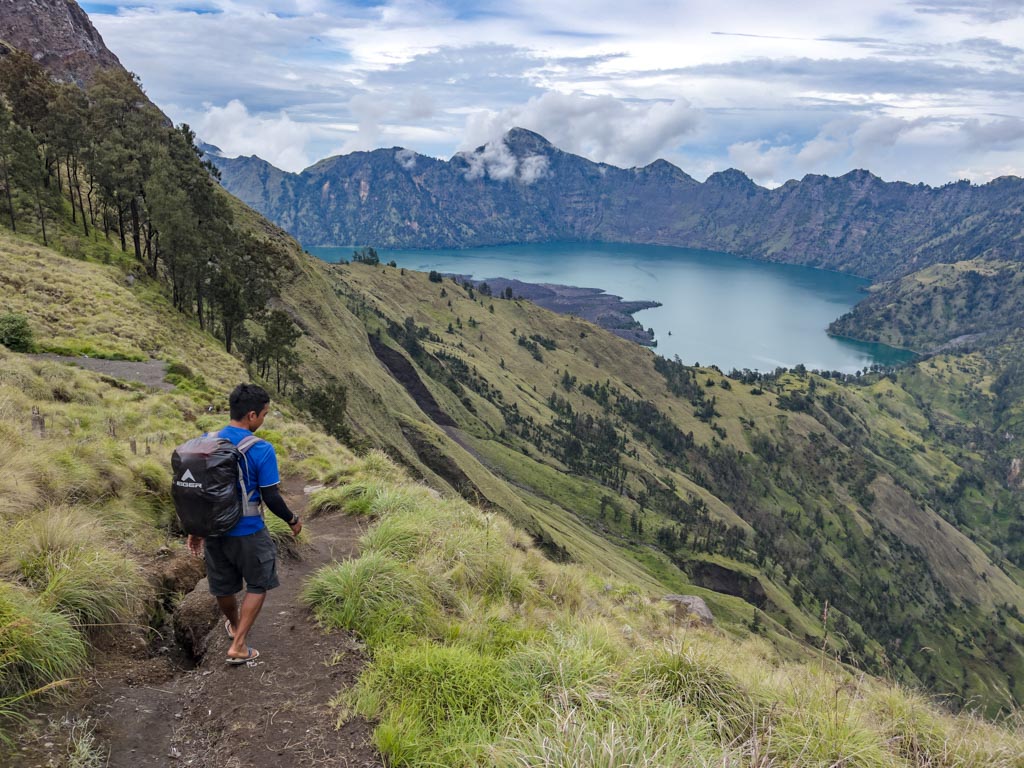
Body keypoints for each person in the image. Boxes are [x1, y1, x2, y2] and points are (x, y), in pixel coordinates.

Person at [186, 383, 303, 665]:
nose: (263, 420)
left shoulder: (206, 441)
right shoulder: (261, 448)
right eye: (264, 414)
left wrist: (196, 528)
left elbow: (198, 490)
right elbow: (271, 496)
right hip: (248, 530)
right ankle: (238, 645)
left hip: (214, 530)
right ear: (251, 415)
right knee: (257, 583)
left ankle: (235, 625)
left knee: (223, 586)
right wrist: (292, 519)